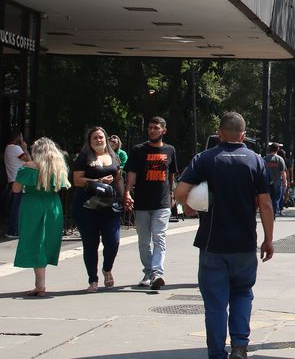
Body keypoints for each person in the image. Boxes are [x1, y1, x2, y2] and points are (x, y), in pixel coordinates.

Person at [176, 112, 275, 359]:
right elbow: (265, 204)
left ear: (219, 132)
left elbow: (180, 192)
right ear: (243, 134)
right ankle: (240, 346)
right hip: (244, 243)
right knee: (243, 293)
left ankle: (217, 352)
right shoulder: (255, 161)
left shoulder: (205, 159)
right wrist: (268, 239)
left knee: (215, 304)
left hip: (213, 243)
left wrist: (189, 205)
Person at [124, 116, 179, 289]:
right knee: (143, 241)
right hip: (142, 202)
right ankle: (148, 271)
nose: (152, 130)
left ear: (164, 130)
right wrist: (127, 192)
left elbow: (172, 174)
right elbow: (131, 173)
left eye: (156, 127)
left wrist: (173, 194)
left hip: (162, 203)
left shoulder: (170, 150)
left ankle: (157, 273)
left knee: (159, 238)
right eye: (150, 127)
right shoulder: (138, 150)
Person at [13, 137, 70, 296]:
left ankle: (40, 285)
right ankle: (40, 284)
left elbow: (16, 189)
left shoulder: (28, 167)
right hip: (53, 205)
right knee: (46, 242)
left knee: (34, 241)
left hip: (33, 205)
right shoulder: (58, 167)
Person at [71, 126, 124, 292]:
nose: (98, 140)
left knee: (113, 241)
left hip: (110, 205)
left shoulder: (114, 157)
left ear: (106, 139)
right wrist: (97, 181)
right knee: (90, 244)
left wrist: (125, 197)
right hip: (86, 206)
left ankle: (107, 268)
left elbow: (118, 179)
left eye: (101, 137)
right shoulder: (84, 157)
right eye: (95, 138)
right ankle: (93, 280)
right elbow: (77, 180)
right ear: (90, 141)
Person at [5, 129, 29, 238]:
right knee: (17, 207)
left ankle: (12, 229)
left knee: (15, 206)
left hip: (12, 180)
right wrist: (25, 149)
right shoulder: (16, 148)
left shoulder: (8, 148)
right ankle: (13, 230)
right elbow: (28, 160)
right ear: (18, 138)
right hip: (18, 181)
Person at [263, 144, 287, 217]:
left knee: (268, 199)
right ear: (278, 149)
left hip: (266, 182)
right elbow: (283, 172)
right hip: (277, 182)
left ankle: (269, 213)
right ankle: (273, 213)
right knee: (276, 198)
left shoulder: (265, 159)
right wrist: (284, 181)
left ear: (270, 149)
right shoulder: (280, 159)